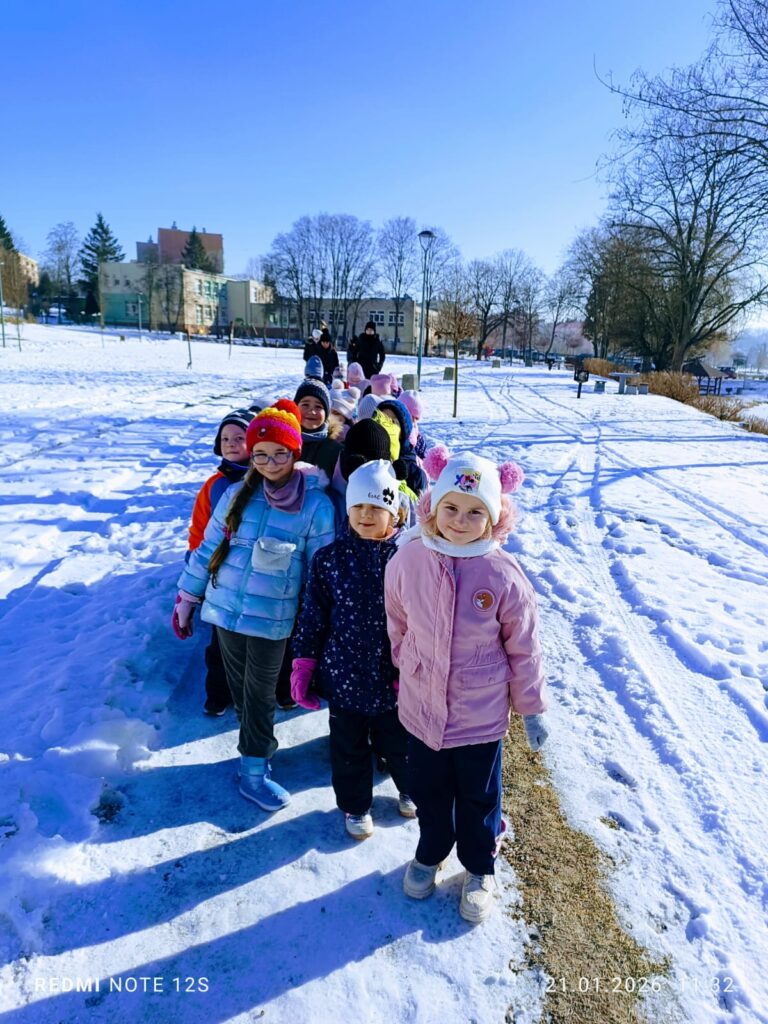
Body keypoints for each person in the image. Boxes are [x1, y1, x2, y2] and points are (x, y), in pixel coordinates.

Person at [384, 447, 548, 923]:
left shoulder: (502, 574)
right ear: (433, 504)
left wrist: (532, 709)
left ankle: (479, 868)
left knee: (478, 796)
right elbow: (396, 619)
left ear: (494, 518)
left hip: (480, 716)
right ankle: (430, 852)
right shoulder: (409, 557)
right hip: (421, 708)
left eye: (476, 512)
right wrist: (404, 663)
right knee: (428, 791)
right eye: (451, 507)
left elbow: (524, 646)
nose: (460, 520)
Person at [173, 400, 336, 811]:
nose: (269, 462)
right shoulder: (235, 496)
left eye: (279, 452)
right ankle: (252, 754)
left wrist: (316, 622)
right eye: (261, 454)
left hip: (272, 620)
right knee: (243, 692)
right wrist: (187, 598)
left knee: (261, 693)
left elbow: (320, 571)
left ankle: (253, 771)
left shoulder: (316, 506)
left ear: (295, 452)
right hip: (225, 611)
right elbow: (208, 547)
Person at [291, 460, 416, 840]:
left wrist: (412, 671)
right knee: (347, 750)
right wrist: (303, 664)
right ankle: (356, 805)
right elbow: (313, 615)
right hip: (342, 677)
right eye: (359, 506)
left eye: (377, 507)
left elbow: (422, 623)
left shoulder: (407, 560)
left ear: (394, 512)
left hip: (394, 680)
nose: (366, 515)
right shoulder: (329, 560)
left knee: (402, 745)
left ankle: (411, 788)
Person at [181, 408, 255, 716]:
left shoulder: (264, 480)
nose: (231, 444)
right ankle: (217, 694)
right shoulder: (214, 485)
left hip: (253, 573)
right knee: (219, 640)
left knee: (253, 640)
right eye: (225, 438)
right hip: (218, 573)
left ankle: (255, 693)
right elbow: (198, 530)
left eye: (239, 438)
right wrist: (196, 566)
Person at [293, 376, 343, 481]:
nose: (312, 412)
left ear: (327, 413)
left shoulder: (335, 450)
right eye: (305, 405)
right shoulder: (284, 444)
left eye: (318, 407)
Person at [375, 399, 428, 496]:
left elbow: (418, 508)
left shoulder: (415, 473)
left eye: (393, 421)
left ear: (404, 430)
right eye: (382, 419)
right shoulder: (366, 458)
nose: (386, 426)